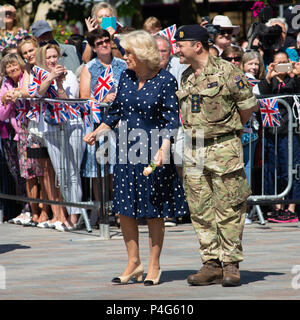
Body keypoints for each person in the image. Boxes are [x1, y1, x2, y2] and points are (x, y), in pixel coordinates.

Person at [83, 30, 189, 285]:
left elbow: (171, 120)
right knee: (125, 209)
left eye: (129, 52)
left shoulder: (165, 80)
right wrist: (98, 131)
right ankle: (134, 262)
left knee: (153, 211)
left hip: (154, 152)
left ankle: (154, 264)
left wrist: (164, 149)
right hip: (125, 150)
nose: (124, 56)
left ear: (142, 54)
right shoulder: (127, 77)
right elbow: (116, 110)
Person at [175, 25, 257, 287]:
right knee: (200, 209)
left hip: (223, 149)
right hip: (195, 148)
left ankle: (231, 264)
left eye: (181, 44)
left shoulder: (229, 71)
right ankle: (211, 263)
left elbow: (247, 106)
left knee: (229, 208)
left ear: (197, 46)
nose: (177, 49)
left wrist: (228, 131)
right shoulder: (186, 76)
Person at [18, 36, 68, 230]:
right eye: (25, 53)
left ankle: (61, 212)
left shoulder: (48, 68)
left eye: (31, 50)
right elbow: (30, 92)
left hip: (55, 123)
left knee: (57, 168)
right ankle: (55, 213)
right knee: (45, 171)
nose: (29, 55)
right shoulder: (29, 71)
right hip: (37, 124)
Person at [34, 42, 86, 230]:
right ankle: (69, 212)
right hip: (50, 127)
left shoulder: (70, 75)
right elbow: (38, 94)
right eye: (48, 57)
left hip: (71, 126)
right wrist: (49, 79)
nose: (52, 60)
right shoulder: (38, 77)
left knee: (72, 171)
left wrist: (59, 83)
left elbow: (68, 102)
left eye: (54, 56)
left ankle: (75, 215)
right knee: (61, 172)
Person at [80, 29, 127, 227]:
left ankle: (120, 210)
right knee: (100, 169)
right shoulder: (89, 67)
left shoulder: (123, 65)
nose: (104, 45)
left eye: (106, 41)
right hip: (99, 123)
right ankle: (103, 210)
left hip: (122, 124)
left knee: (118, 169)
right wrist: (101, 100)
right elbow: (84, 98)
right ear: (93, 47)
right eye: (99, 43)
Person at [258, 51, 300, 224]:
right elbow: (263, 94)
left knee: (292, 170)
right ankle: (277, 207)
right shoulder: (269, 80)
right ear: (272, 64)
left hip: (291, 132)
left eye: (285, 62)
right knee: (273, 170)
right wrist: (268, 77)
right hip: (272, 132)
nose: (283, 65)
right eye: (279, 62)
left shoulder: (294, 80)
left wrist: (297, 74)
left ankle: (291, 208)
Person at [154, 34, 188, 227]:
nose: (160, 55)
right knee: (161, 167)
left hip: (179, 124)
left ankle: (184, 207)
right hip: (155, 128)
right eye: (156, 51)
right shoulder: (145, 69)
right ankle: (167, 211)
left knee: (182, 164)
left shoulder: (179, 67)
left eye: (164, 51)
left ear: (170, 52)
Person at [0, 53, 31, 224]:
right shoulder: (5, 85)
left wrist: (19, 92)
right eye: (8, 66)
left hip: (30, 130)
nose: (12, 68)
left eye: (14, 64)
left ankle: (36, 208)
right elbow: (2, 115)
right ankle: (26, 207)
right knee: (18, 173)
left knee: (33, 173)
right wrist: (7, 99)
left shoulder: (26, 77)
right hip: (13, 134)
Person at [240, 50, 265, 224]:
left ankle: (247, 209)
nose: (254, 67)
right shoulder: (238, 81)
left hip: (252, 131)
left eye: (256, 64)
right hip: (238, 129)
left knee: (247, 169)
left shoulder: (260, 83)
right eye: (250, 64)